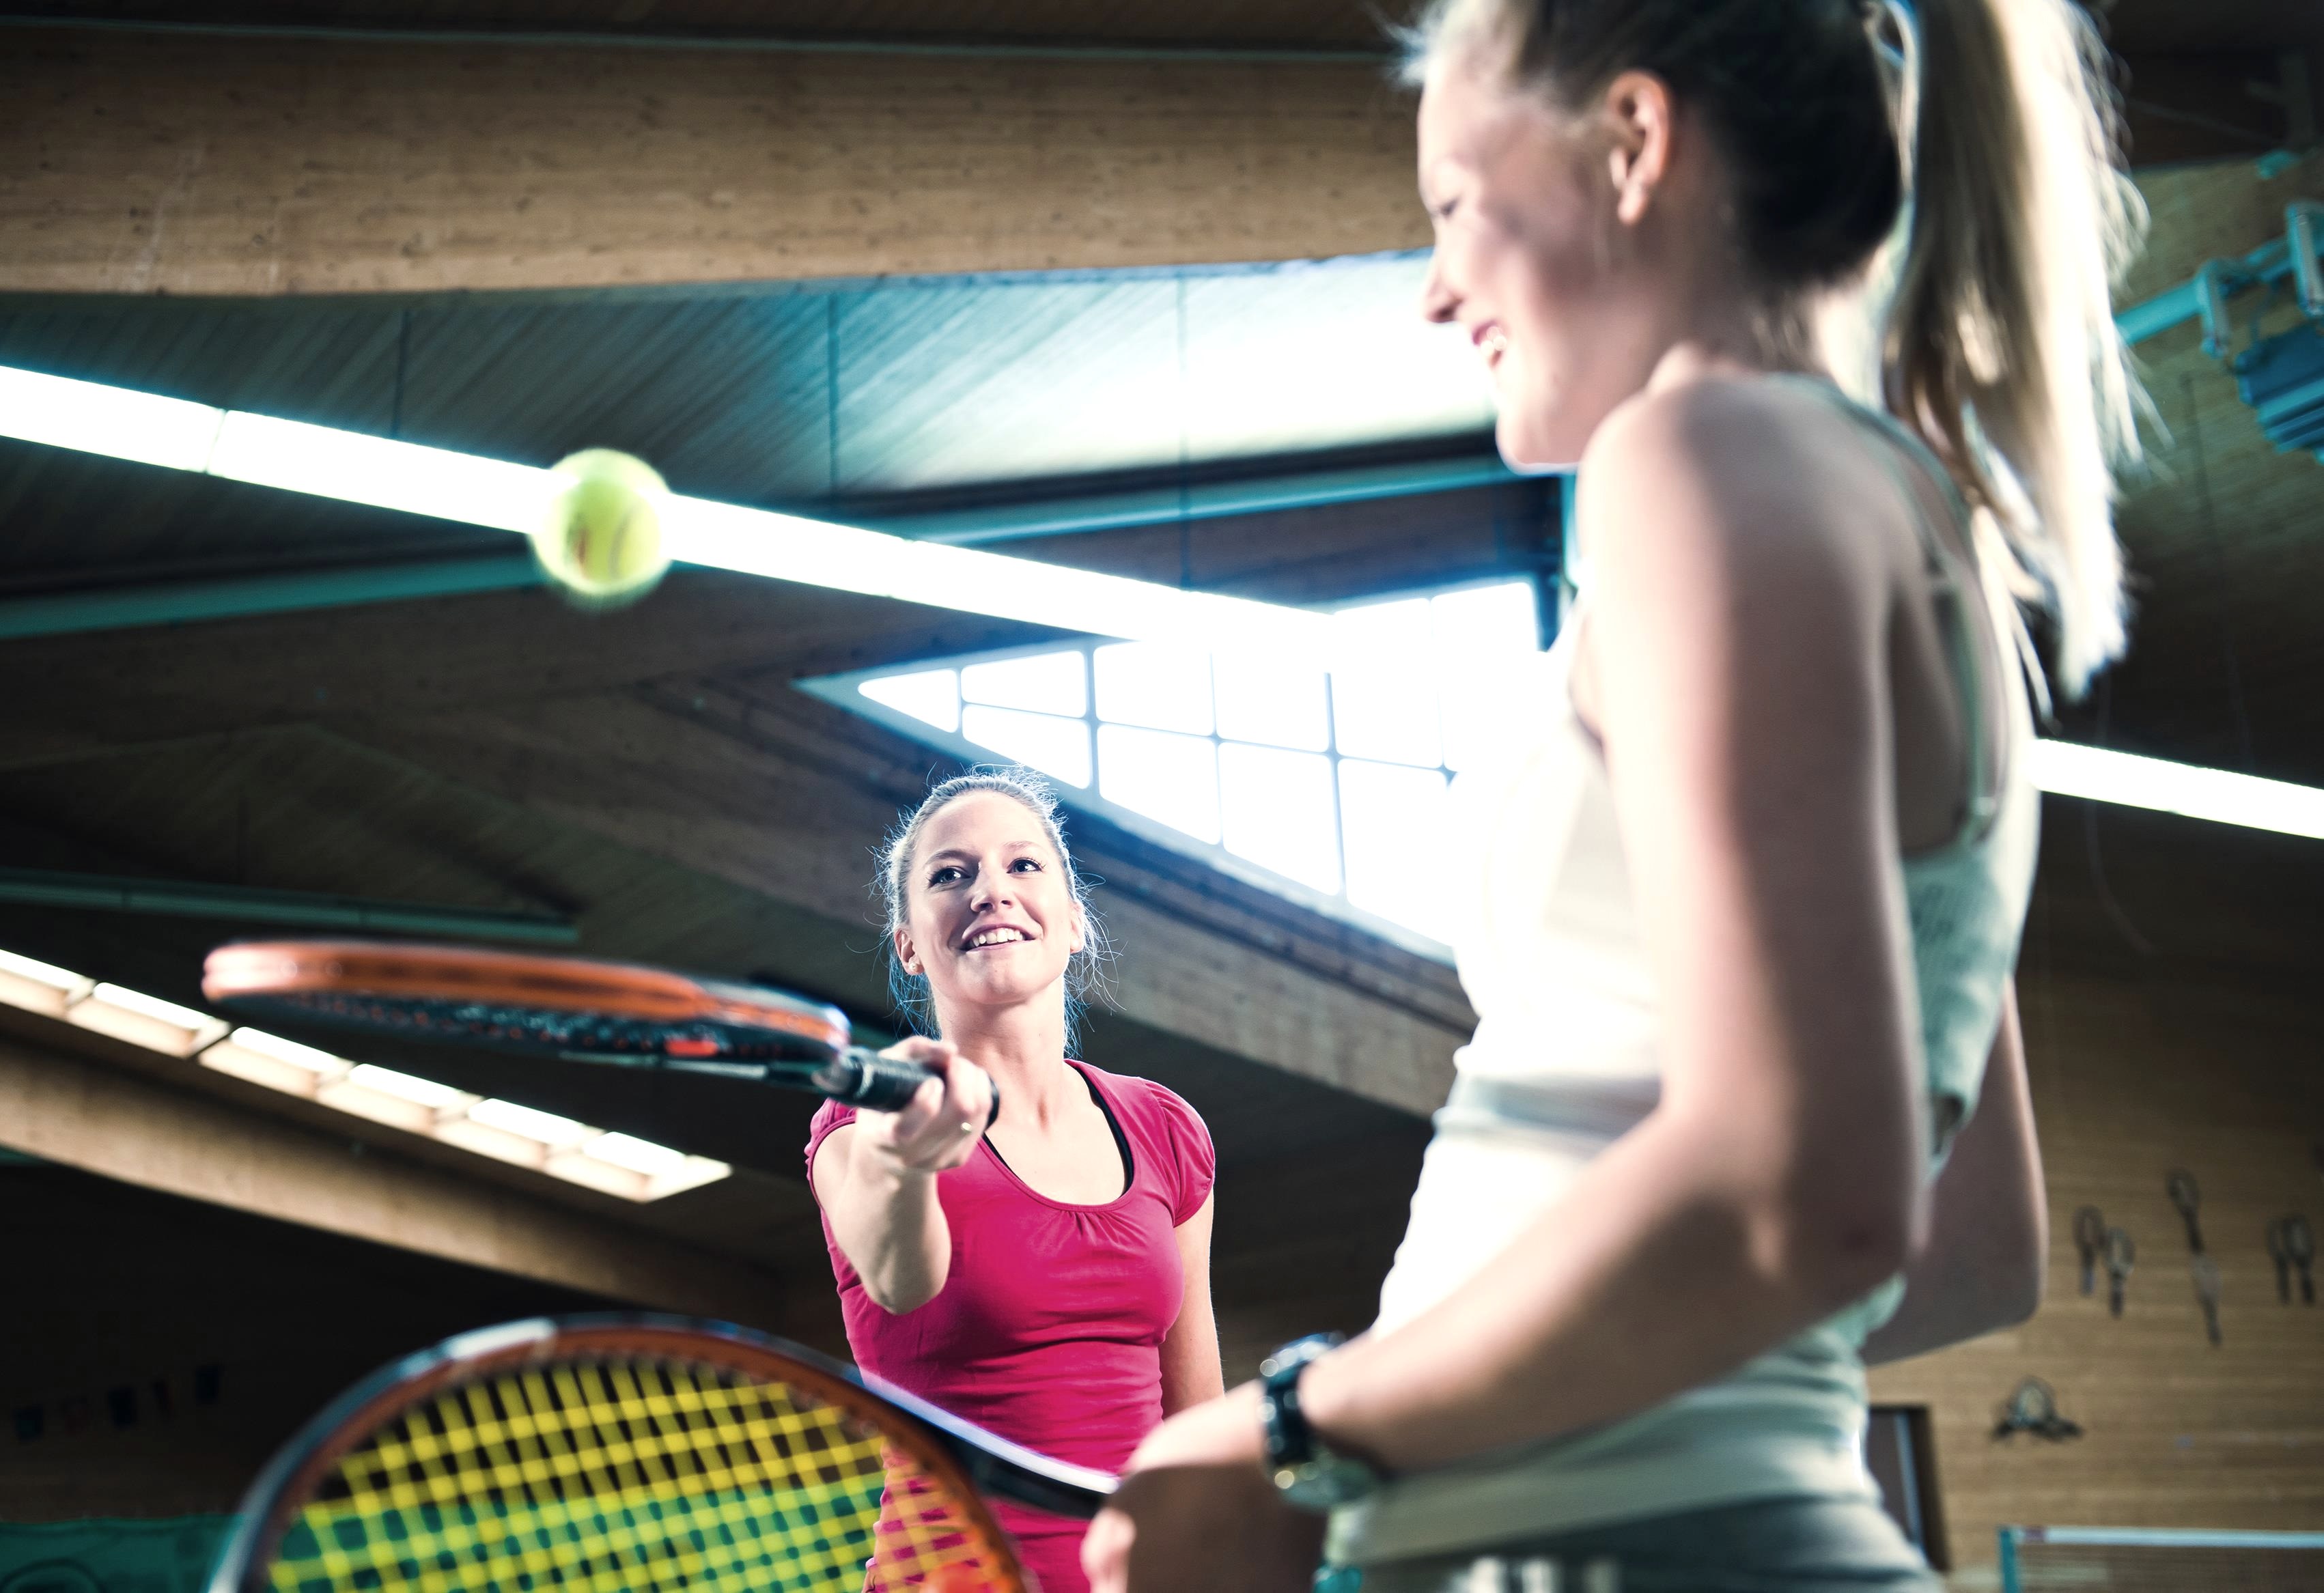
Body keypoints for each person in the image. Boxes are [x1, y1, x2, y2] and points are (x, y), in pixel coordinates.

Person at [1085, 0, 2140, 1588]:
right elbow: (1965, 1242)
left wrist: (1311, 1428)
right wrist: (1432, 1391)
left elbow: (1804, 1196)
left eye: (1453, 202)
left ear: (1636, 144)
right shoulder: (1912, 531)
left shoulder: (1700, 454)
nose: (1436, 288)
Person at [807, 767, 1224, 1592]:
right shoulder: (862, 1124)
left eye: (1022, 864)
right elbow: (899, 1280)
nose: (989, 890)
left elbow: (1198, 1418)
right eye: (949, 874)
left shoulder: (1164, 1126)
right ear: (908, 944)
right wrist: (906, 1158)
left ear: (1073, 922)